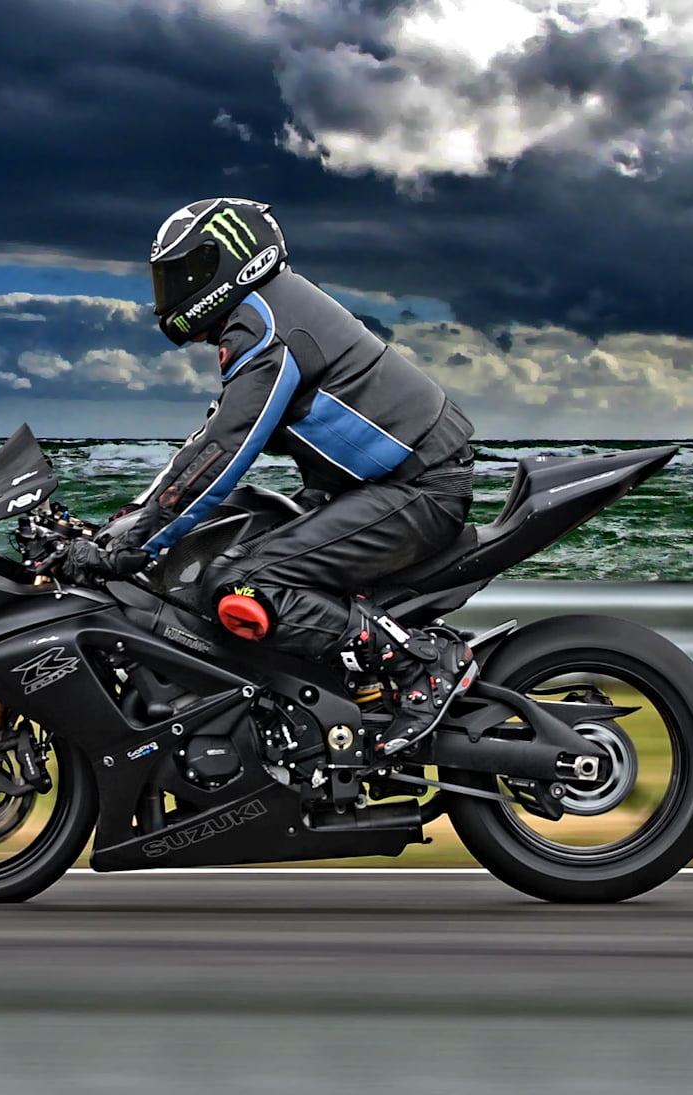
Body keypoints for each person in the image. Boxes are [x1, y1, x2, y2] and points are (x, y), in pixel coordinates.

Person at [62, 197, 477, 742]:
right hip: (385, 484)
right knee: (235, 526)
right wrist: (130, 522)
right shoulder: (268, 312)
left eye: (184, 274)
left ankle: (420, 662)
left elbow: (227, 448)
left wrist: (138, 538)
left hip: (416, 490)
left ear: (229, 260)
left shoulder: (266, 325)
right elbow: (206, 443)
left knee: (241, 582)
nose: (173, 292)